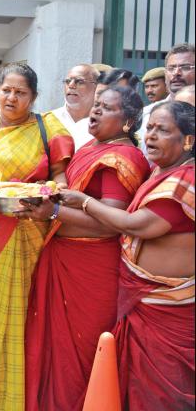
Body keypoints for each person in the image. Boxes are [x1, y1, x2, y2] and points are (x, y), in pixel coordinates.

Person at [21, 86, 151, 411]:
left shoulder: (120, 158)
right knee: (56, 352)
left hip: (91, 270)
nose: (95, 111)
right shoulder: (93, 146)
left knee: (81, 355)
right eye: (97, 105)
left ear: (128, 122)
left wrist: (52, 213)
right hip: (66, 258)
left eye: (107, 108)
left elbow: (110, 223)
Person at [60, 100, 194, 410]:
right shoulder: (160, 172)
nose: (151, 136)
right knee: (134, 390)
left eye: (163, 131)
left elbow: (139, 225)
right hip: (143, 301)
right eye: (150, 128)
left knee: (162, 396)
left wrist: (81, 202)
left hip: (169, 308)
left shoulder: (185, 181)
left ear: (188, 141)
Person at [0, 63, 74, 410]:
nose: (11, 97)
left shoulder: (47, 127)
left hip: (25, 231)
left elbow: (62, 179)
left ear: (33, 97)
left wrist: (47, 192)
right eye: (7, 90)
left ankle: (9, 399)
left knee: (16, 315)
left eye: (20, 92)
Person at [139, 43, 195, 152]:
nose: (176, 73)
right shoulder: (146, 114)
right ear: (165, 75)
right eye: (171, 68)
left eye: (185, 67)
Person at [52, 64, 100, 151]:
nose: (71, 85)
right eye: (67, 81)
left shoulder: (103, 125)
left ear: (97, 87)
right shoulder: (48, 120)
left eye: (79, 82)